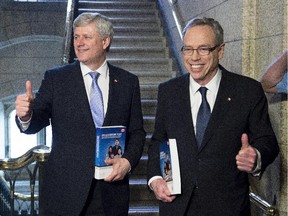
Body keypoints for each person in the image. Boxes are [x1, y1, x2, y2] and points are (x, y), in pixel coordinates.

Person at [15, 12, 145, 215]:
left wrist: (127, 162)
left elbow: (137, 132)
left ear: (105, 41)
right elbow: (35, 121)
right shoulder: (56, 79)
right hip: (65, 194)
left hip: (111, 193)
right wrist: (25, 116)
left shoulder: (128, 82)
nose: (79, 43)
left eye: (87, 37)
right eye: (76, 37)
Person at [147, 17, 279, 216]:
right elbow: (159, 140)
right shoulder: (169, 91)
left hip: (228, 207)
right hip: (177, 206)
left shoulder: (247, 91)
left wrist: (256, 156)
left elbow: (267, 140)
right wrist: (155, 178)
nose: (194, 57)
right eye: (188, 49)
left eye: (203, 49)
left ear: (221, 50)